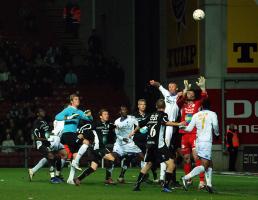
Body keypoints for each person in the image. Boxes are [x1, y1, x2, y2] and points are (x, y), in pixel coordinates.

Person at [129, 99, 183, 192]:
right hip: (159, 145)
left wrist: (133, 132)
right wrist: (178, 124)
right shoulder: (163, 115)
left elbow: (140, 124)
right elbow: (166, 122)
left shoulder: (150, 115)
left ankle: (137, 185)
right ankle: (165, 187)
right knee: (171, 164)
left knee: (148, 164)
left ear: (156, 106)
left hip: (150, 144)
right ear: (164, 107)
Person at [181, 99, 219, 193]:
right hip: (206, 142)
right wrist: (217, 133)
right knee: (205, 164)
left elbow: (189, 129)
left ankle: (209, 185)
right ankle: (186, 178)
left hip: (198, 141)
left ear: (201, 106)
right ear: (210, 106)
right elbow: (215, 125)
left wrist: (181, 126)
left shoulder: (196, 114)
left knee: (209, 163)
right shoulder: (212, 114)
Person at [176, 76, 207, 189]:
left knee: (196, 157)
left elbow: (205, 98)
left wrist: (203, 88)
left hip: (194, 134)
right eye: (187, 92)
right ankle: (188, 179)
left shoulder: (198, 103)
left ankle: (202, 181)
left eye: (190, 92)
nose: (188, 94)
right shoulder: (182, 104)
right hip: (184, 134)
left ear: (193, 95)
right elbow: (179, 101)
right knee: (186, 158)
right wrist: (184, 90)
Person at [54, 94, 93, 184]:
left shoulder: (79, 112)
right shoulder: (68, 109)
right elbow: (57, 117)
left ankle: (70, 179)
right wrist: (68, 117)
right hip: (67, 134)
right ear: (71, 101)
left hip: (73, 134)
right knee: (86, 142)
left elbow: (89, 119)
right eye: (76, 99)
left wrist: (90, 115)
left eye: (78, 99)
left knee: (75, 156)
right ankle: (74, 164)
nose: (78, 100)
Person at [149, 80, 179, 185]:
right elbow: (159, 86)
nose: (170, 88)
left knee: (164, 150)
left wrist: (185, 90)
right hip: (162, 124)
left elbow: (184, 95)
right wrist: (154, 83)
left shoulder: (178, 97)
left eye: (172, 87)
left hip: (170, 125)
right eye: (169, 86)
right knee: (163, 150)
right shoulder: (166, 93)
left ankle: (163, 177)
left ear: (176, 88)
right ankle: (162, 177)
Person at [29, 108, 67, 183]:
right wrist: (46, 139)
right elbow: (36, 136)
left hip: (47, 142)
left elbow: (47, 133)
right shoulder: (36, 122)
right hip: (40, 143)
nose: (43, 112)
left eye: (43, 111)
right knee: (50, 156)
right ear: (37, 114)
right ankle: (53, 178)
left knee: (58, 157)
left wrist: (51, 136)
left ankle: (57, 175)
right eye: (41, 111)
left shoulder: (45, 122)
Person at [113, 105, 144, 183]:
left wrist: (133, 132)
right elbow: (117, 134)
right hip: (120, 143)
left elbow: (138, 125)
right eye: (123, 110)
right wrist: (123, 138)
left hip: (129, 143)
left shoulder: (132, 118)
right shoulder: (117, 122)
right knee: (113, 159)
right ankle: (109, 177)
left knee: (142, 156)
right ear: (120, 112)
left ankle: (144, 174)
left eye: (126, 110)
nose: (125, 111)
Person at [132, 99, 158, 182]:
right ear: (138, 106)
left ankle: (149, 176)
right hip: (137, 139)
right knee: (141, 158)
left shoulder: (149, 115)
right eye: (141, 104)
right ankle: (145, 176)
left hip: (147, 139)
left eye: (144, 104)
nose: (143, 106)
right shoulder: (134, 116)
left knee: (148, 158)